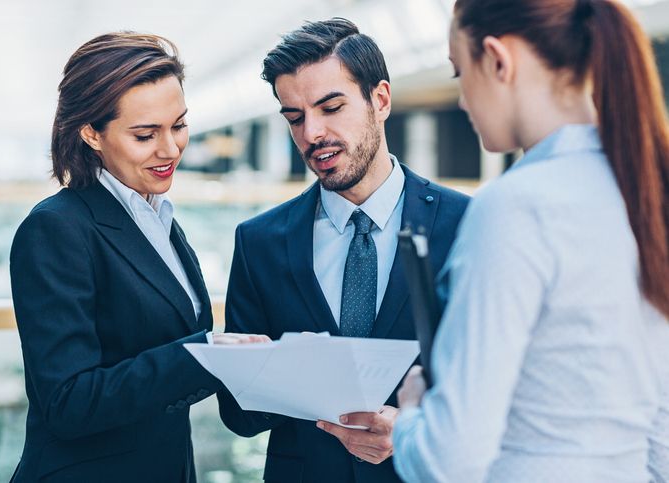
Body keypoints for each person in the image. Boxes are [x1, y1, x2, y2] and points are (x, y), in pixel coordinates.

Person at [393, 1, 669, 482]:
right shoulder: (647, 192)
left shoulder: (513, 207)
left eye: (460, 73)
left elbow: (449, 461)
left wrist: (413, 412)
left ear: (500, 60)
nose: (462, 101)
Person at [216, 18, 469, 483]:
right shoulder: (259, 241)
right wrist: (262, 372)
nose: (312, 133)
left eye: (330, 107)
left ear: (381, 100)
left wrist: (418, 428)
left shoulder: (467, 225)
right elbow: (239, 416)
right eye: (295, 117)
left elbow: (507, 385)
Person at [9, 32, 268, 483]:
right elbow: (67, 402)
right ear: (91, 133)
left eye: (179, 125)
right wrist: (202, 353)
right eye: (145, 134)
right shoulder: (56, 229)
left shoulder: (158, 218)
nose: (169, 149)